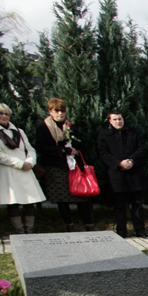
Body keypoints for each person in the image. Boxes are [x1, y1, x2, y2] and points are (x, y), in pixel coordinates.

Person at [35, 98, 94, 232]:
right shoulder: (43, 127)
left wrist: (77, 152)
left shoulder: (71, 126)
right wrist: (61, 150)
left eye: (63, 110)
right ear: (51, 111)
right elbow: (41, 147)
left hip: (74, 166)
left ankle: (89, 225)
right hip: (56, 166)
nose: (60, 113)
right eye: (57, 110)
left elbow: (82, 145)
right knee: (62, 198)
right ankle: (69, 226)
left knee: (82, 196)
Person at [98, 110, 148, 238]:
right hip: (116, 174)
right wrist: (119, 163)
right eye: (115, 119)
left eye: (120, 119)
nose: (118, 121)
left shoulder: (134, 132)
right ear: (110, 121)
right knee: (119, 205)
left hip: (135, 174)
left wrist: (132, 161)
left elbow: (142, 149)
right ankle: (121, 231)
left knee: (137, 204)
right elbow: (103, 153)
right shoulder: (104, 135)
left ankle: (140, 231)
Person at [0, 103, 46, 233]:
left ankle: (29, 228)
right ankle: (19, 229)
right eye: (0, 113)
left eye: (6, 114)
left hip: (26, 170)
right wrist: (19, 163)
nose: (4, 116)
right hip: (8, 170)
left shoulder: (19, 131)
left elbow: (30, 149)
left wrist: (30, 161)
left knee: (29, 200)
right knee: (13, 201)